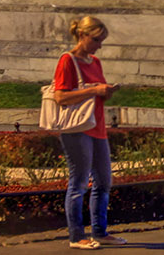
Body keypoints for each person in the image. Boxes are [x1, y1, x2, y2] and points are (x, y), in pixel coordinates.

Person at [52, 16, 121, 249]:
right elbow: (60, 97)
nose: (99, 44)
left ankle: (100, 231)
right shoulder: (67, 61)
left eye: (102, 40)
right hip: (77, 128)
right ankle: (76, 235)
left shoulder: (95, 62)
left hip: (97, 126)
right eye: (96, 39)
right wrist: (94, 91)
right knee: (79, 182)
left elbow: (94, 91)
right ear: (82, 36)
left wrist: (104, 92)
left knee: (103, 182)